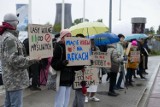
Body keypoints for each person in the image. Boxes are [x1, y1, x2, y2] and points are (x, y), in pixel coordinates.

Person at [0, 13, 39, 107]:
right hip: (15, 79)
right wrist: (32, 59)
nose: (17, 24)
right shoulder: (10, 39)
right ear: (13, 23)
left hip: (11, 79)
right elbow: (14, 60)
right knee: (16, 105)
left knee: (8, 104)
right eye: (16, 22)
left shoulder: (6, 36)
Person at [51, 29, 83, 107]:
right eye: (67, 36)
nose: (69, 37)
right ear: (62, 37)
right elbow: (53, 63)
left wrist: (82, 64)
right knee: (59, 101)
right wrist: (62, 63)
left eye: (70, 36)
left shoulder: (73, 47)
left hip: (69, 78)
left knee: (66, 101)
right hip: (61, 78)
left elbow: (75, 65)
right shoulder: (59, 47)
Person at [72, 33, 86, 107]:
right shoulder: (72, 50)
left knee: (78, 94)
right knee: (80, 94)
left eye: (81, 39)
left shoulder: (87, 49)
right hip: (77, 74)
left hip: (85, 74)